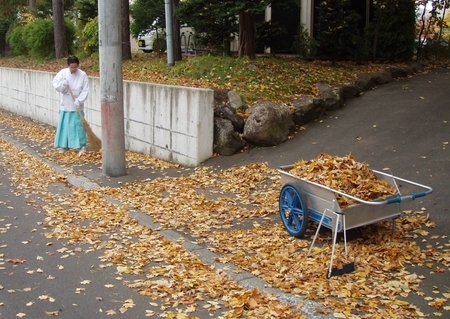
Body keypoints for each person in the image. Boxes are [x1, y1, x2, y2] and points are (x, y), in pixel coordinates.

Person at [52, 55, 90, 155]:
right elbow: (56, 85)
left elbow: (85, 90)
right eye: (72, 67)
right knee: (65, 125)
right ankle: (64, 145)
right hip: (66, 103)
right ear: (68, 65)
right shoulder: (63, 73)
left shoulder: (82, 75)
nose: (73, 69)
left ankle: (82, 145)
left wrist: (79, 101)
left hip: (77, 103)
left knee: (78, 125)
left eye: (75, 67)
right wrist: (63, 84)